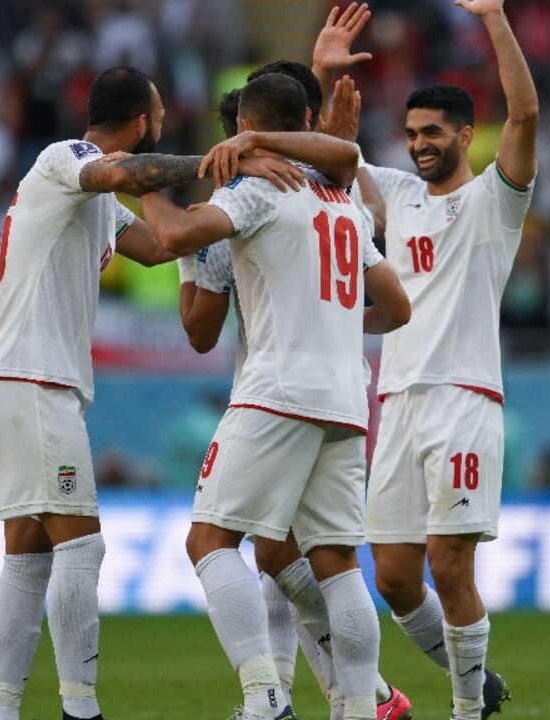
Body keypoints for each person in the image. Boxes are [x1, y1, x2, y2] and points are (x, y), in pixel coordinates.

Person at [0, 66, 307, 720]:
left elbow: (159, 247)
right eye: (157, 114)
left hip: (26, 378)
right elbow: (122, 174)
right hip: (34, 377)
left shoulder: (92, 199)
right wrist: (223, 160)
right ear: (140, 124)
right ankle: (81, 708)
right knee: (81, 545)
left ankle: (0, 708)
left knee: (30, 549)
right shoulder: (66, 158)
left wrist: (227, 226)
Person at [142, 73, 408, 720]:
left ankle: (265, 700)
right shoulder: (341, 201)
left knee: (209, 542)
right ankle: (361, 706)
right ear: (307, 121)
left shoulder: (255, 189)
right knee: (336, 562)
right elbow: (396, 306)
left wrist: (144, 184)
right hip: (345, 398)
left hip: (277, 392)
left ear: (243, 132)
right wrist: (335, 322)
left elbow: (181, 256)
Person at [351, 1, 538, 717]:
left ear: (465, 135)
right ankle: (478, 681)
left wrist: (493, 16)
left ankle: (465, 711)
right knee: (396, 576)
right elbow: (338, 159)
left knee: (448, 565)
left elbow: (524, 117)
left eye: (433, 132)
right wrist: (324, 74)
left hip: (464, 398)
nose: (419, 144)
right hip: (396, 400)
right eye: (411, 133)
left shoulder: (496, 202)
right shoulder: (397, 196)